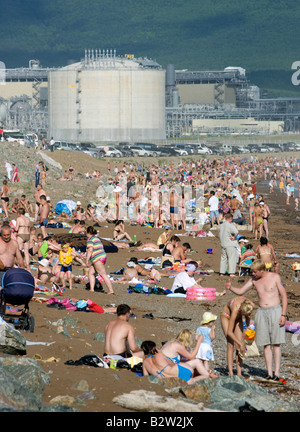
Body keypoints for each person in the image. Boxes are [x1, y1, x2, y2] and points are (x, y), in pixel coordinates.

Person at [225, 259, 288, 382]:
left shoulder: (275, 277)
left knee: (276, 343)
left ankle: (277, 373)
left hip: (275, 311)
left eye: (254, 272)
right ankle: (269, 373)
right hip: (262, 312)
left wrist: (283, 314)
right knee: (266, 344)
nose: (252, 274)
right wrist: (230, 287)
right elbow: (241, 291)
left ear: (261, 270)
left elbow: (284, 296)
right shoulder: (254, 280)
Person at [141, 341, 212, 384]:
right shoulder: (159, 355)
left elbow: (146, 378)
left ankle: (195, 378)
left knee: (192, 380)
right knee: (205, 376)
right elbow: (173, 364)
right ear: (154, 348)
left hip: (169, 382)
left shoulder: (144, 363)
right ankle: (208, 376)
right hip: (181, 372)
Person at [220, 296, 255, 376]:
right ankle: (231, 373)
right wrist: (240, 343)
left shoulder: (250, 305)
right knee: (231, 344)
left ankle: (239, 373)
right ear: (241, 310)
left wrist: (247, 326)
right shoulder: (235, 309)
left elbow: (248, 316)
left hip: (238, 318)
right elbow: (229, 332)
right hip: (226, 316)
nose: (247, 316)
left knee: (239, 347)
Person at [85, 226, 114, 294]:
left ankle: (111, 290)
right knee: (91, 273)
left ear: (88, 232)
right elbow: (96, 249)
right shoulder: (97, 239)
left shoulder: (90, 240)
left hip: (97, 258)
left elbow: (90, 250)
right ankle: (91, 289)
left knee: (103, 274)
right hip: (102, 257)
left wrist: (87, 260)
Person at [219, 213, 239, 277]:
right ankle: (231, 273)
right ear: (230, 218)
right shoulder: (230, 225)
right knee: (231, 258)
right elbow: (236, 232)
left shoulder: (221, 225)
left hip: (223, 243)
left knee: (223, 259)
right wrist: (234, 237)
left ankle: (222, 272)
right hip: (230, 244)